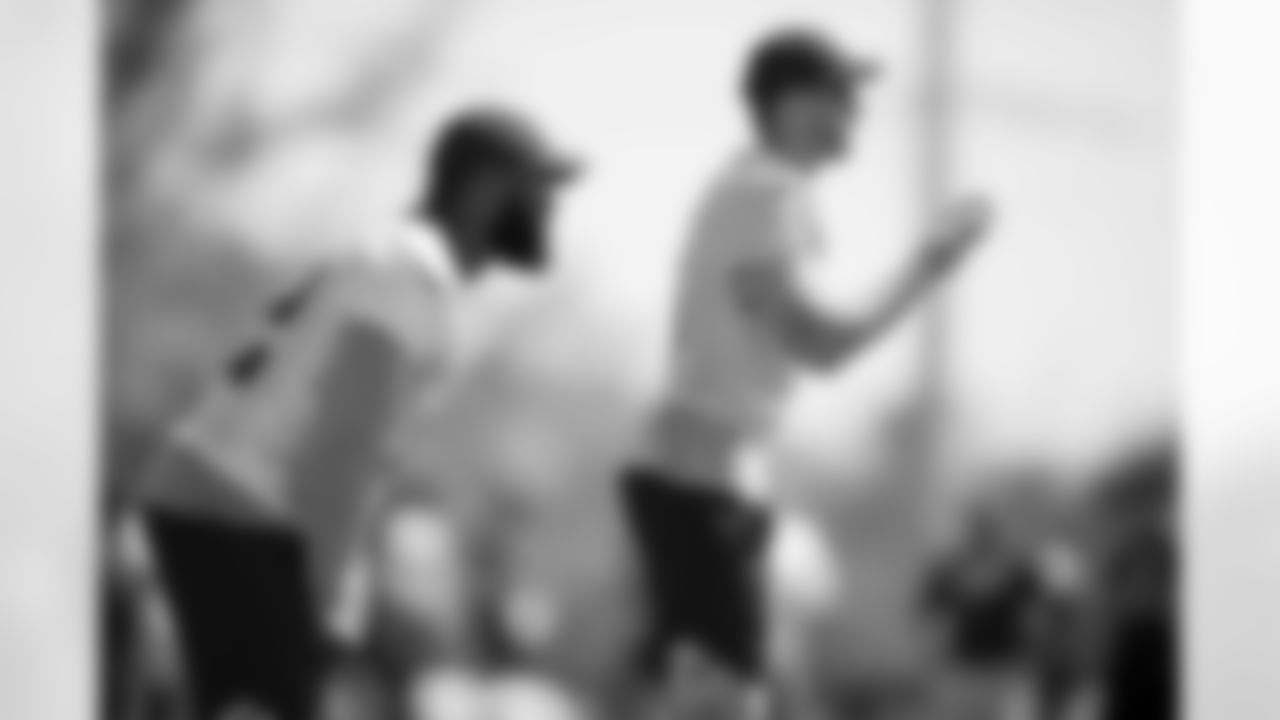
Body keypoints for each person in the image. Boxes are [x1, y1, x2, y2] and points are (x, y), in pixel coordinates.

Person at [130, 105, 578, 720]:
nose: (546, 211)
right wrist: (332, 592)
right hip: (244, 508)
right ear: (482, 193)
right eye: (534, 192)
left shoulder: (383, 253)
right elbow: (342, 449)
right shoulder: (412, 281)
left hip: (205, 490)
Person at [620, 26, 993, 719]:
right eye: (839, 95)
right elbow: (825, 345)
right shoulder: (766, 191)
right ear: (790, 103)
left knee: (711, 698)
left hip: (704, 477)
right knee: (725, 702)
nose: (856, 111)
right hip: (698, 481)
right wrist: (930, 262)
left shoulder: (758, 188)